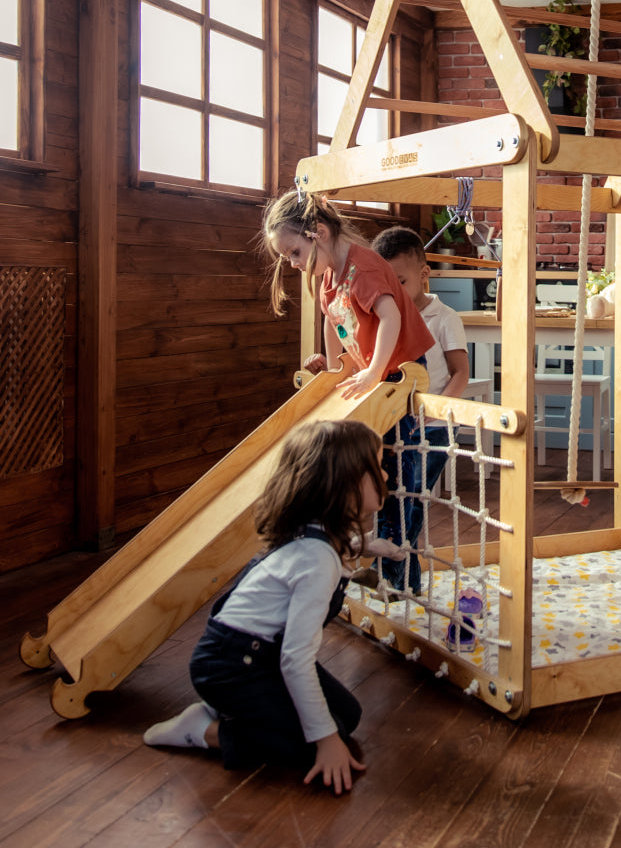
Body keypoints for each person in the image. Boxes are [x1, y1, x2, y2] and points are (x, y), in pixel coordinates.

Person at [143, 419, 390, 792]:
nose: (386, 474)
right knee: (320, 738)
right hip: (231, 665)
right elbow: (295, 659)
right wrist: (324, 741)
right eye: (378, 466)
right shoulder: (317, 560)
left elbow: (333, 549)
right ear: (347, 484)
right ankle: (203, 730)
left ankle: (233, 711)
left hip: (256, 655)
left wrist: (367, 546)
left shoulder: (318, 532)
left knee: (348, 715)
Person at [261, 190, 436, 596]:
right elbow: (332, 319)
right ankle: (379, 567)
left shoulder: (364, 267)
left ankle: (399, 582)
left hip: (400, 373)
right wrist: (336, 364)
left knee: (397, 471)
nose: (293, 263)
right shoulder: (328, 276)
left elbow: (390, 317)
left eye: (294, 252)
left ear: (318, 232)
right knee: (370, 466)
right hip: (374, 373)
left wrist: (374, 370)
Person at [371, 225, 472, 594]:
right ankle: (406, 586)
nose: (393, 291)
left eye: (400, 281)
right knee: (392, 500)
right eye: (387, 283)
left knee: (410, 500)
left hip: (433, 427)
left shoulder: (443, 318)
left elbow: (461, 372)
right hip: (395, 425)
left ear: (423, 274)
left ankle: (384, 571)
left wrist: (436, 411)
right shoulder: (387, 319)